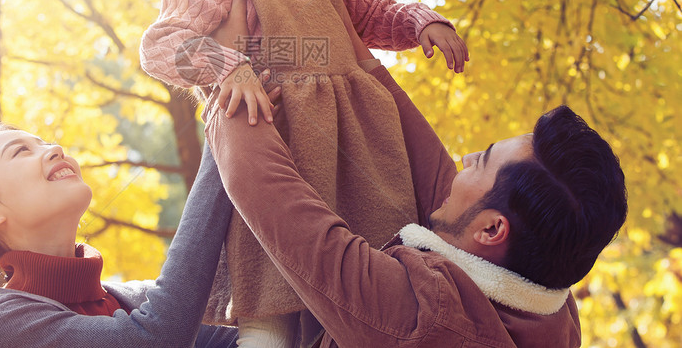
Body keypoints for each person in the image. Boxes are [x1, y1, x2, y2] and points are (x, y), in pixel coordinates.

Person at [139, 0, 469, 346]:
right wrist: (229, 67)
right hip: (278, 170)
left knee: (367, 293)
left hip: (361, 160)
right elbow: (161, 45)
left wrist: (421, 21)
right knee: (272, 307)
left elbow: (377, 14)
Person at [204, 57, 628, 347]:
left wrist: (231, 100)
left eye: (479, 162)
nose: (462, 160)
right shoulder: (549, 301)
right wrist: (345, 36)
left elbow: (279, 206)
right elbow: (423, 157)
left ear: (492, 229)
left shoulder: (425, 319)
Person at [0, 123, 240, 348]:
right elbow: (158, 339)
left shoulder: (125, 300)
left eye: (43, 142)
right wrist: (221, 138)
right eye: (21, 151)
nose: (55, 148)